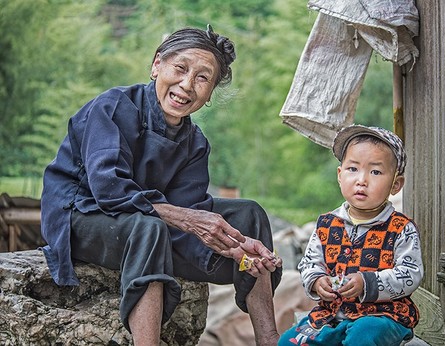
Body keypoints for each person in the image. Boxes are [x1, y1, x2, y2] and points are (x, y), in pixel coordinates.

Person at [40, 25, 282, 346]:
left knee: (248, 216)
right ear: (157, 65)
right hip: (81, 215)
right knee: (150, 227)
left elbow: (190, 213)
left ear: (210, 93)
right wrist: (186, 219)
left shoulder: (195, 142)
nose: (186, 85)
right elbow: (108, 189)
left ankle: (270, 339)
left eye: (202, 78)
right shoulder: (112, 107)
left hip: (143, 221)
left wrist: (234, 247)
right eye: (180, 69)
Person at [278, 124, 423, 345]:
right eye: (352, 169)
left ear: (396, 184)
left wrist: (367, 282)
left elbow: (410, 273)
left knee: (364, 334)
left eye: (375, 171)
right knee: (289, 341)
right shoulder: (326, 224)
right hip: (332, 316)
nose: (361, 180)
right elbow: (309, 263)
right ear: (339, 175)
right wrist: (317, 281)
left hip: (382, 316)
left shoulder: (401, 228)